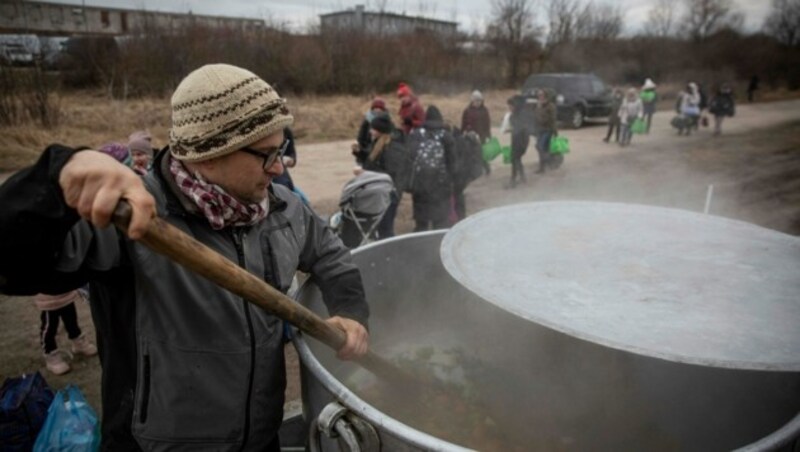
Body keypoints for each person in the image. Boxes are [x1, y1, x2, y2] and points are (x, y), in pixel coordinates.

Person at [0, 63, 370, 451]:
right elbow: (12, 267)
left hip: (260, 437)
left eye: (280, 149)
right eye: (265, 154)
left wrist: (350, 311)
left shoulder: (284, 208)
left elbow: (333, 257)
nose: (278, 167)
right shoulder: (133, 216)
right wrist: (56, 178)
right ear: (210, 154)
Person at [352, 113, 408, 239]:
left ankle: (390, 255)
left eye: (373, 129)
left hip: (390, 194)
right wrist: (359, 153)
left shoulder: (393, 147)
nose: (370, 132)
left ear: (381, 130)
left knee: (386, 229)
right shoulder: (379, 142)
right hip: (380, 192)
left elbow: (390, 173)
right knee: (377, 228)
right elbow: (372, 162)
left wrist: (364, 173)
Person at [408, 105, 454, 231]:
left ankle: (419, 248)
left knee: (421, 223)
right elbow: (452, 162)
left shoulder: (416, 135)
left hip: (420, 186)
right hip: (440, 186)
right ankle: (437, 247)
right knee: (440, 222)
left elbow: (410, 158)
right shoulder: (446, 136)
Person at [34, 290, 97, 375]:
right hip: (48, 298)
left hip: (65, 293)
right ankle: (50, 354)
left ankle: (78, 342)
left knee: (71, 320)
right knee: (50, 327)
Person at [460, 90, 492, 176]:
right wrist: (461, 132)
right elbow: (463, 123)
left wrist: (489, 135)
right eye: (476, 101)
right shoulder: (467, 111)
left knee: (481, 152)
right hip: (471, 135)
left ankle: (486, 167)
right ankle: (474, 170)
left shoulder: (484, 110)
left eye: (479, 101)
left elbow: (487, 123)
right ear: (472, 101)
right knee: (471, 152)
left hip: (482, 135)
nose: (478, 103)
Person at [505, 95, 531, 187]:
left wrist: (512, 129)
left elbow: (522, 128)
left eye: (510, 106)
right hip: (516, 139)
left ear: (515, 106)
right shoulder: (513, 116)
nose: (509, 108)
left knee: (515, 158)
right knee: (516, 159)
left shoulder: (522, 114)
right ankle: (521, 177)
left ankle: (514, 179)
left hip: (522, 140)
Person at [534, 89, 558, 174]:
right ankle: (543, 166)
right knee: (543, 148)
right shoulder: (538, 106)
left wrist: (555, 131)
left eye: (541, 95)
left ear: (546, 96)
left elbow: (552, 119)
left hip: (547, 130)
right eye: (539, 95)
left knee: (540, 146)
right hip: (540, 130)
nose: (540, 97)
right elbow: (536, 118)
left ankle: (548, 163)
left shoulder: (550, 106)